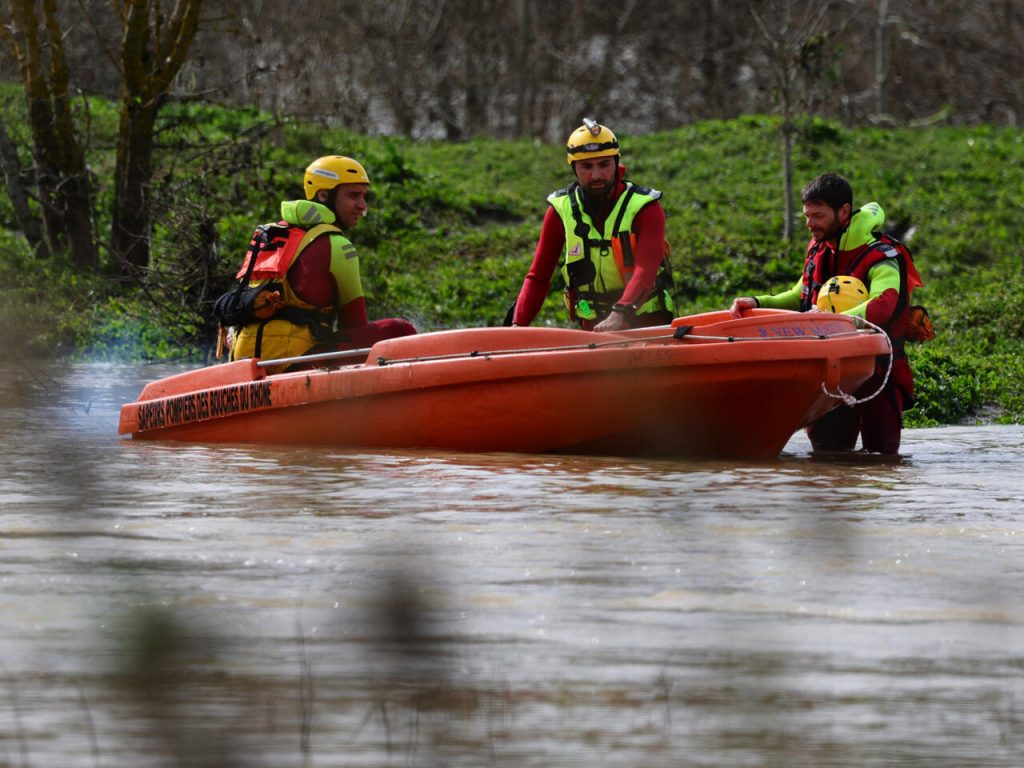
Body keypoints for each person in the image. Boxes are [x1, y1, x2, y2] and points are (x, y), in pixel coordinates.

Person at [729, 172, 923, 455]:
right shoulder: (818, 247)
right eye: (807, 216)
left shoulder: (882, 255)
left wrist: (830, 322)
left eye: (817, 216)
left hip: (878, 371)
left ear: (844, 212)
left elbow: (885, 303)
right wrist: (757, 302)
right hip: (827, 374)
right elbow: (799, 296)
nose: (810, 224)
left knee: (883, 460)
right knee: (826, 457)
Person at [214, 155, 416, 372]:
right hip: (293, 366)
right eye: (354, 196)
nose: (362, 206)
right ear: (323, 194)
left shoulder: (267, 235)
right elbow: (354, 323)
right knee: (399, 329)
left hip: (244, 366)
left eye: (364, 197)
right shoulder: (337, 245)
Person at [508, 118, 675, 332]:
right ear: (574, 168)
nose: (596, 175)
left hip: (648, 325)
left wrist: (620, 313)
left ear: (617, 163)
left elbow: (646, 271)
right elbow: (538, 278)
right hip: (591, 330)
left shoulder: (645, 208)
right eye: (586, 166)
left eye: (604, 164)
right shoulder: (560, 210)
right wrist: (516, 326)